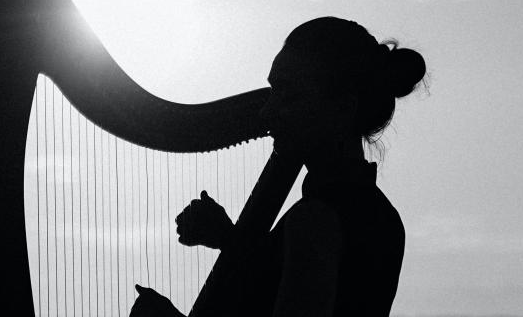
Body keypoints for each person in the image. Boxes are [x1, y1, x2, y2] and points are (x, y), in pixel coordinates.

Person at [131, 16, 426, 316]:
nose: (267, 110)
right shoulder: (381, 217)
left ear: (342, 108)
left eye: (289, 95)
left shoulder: (313, 222)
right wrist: (228, 239)